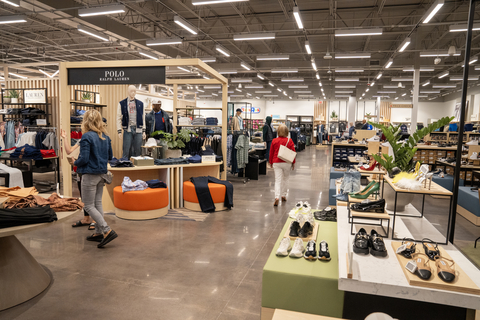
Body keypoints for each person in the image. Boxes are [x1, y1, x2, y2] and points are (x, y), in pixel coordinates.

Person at [73, 109, 117, 248]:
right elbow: (110, 157)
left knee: (88, 204)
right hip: (102, 174)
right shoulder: (106, 136)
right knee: (97, 203)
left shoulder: (86, 137)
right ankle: (98, 232)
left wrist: (75, 161)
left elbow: (84, 158)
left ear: (86, 121)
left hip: (90, 174)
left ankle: (106, 229)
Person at [61, 129, 96, 230]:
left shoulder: (96, 139)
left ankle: (95, 219)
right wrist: (65, 138)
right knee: (83, 195)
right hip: (81, 170)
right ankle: (86, 218)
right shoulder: (82, 139)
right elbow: (69, 151)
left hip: (90, 171)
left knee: (93, 197)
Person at [116, 85, 146, 159]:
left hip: (138, 129)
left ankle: (137, 168)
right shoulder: (122, 103)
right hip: (127, 129)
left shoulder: (140, 104)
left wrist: (144, 131)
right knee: (126, 150)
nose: (133, 93)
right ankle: (125, 165)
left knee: (138, 151)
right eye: (131, 91)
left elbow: (143, 118)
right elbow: (118, 118)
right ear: (128, 91)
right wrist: (119, 131)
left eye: (135, 91)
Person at [269, 124, 296, 207]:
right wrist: (293, 162)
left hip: (276, 162)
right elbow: (293, 152)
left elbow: (271, 153)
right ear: (287, 132)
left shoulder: (274, 140)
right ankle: (283, 195)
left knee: (277, 180)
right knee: (286, 179)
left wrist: (270, 162)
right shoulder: (289, 140)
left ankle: (276, 197)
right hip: (287, 162)